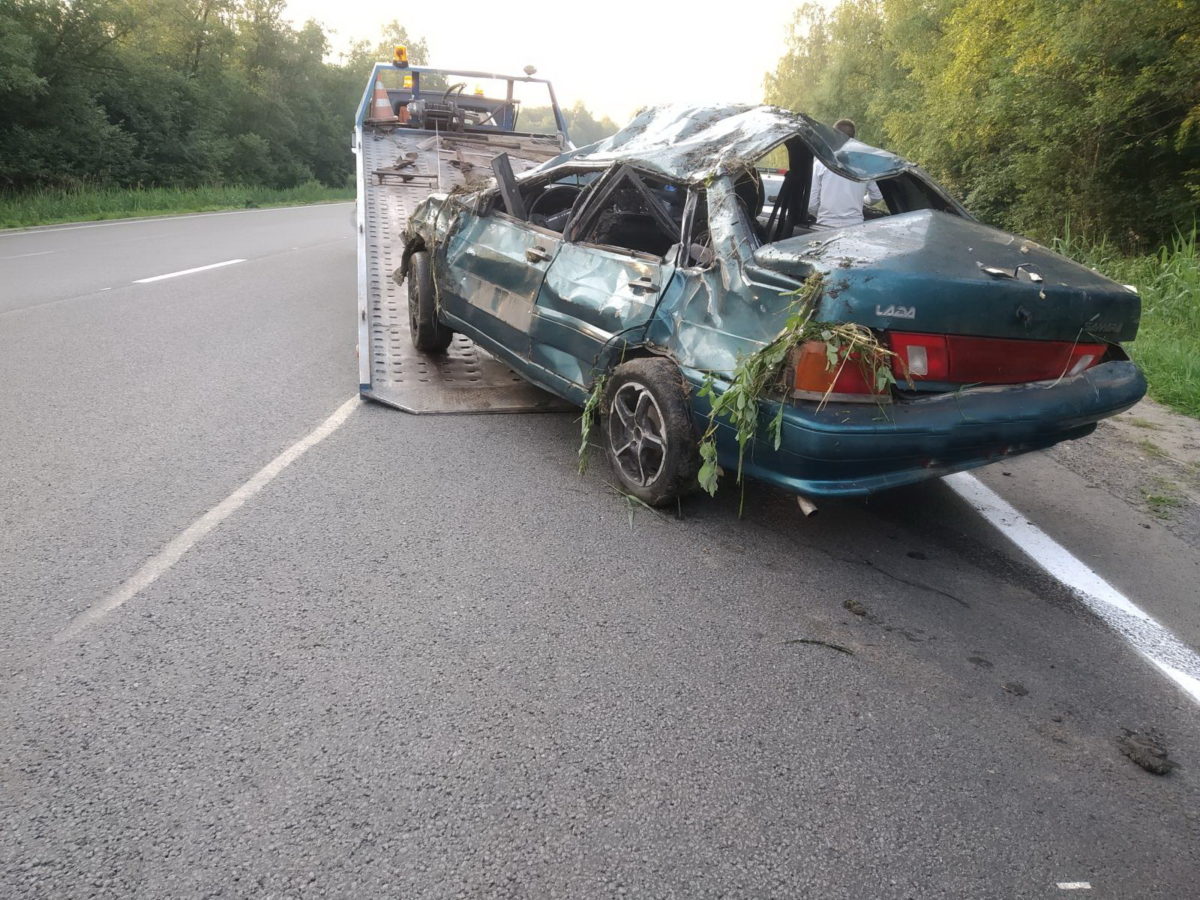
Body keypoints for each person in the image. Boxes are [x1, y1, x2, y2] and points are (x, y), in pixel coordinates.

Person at [808, 118, 882, 228]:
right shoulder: (864, 166)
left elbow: (812, 203)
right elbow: (877, 196)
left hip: (826, 225)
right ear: (853, 138)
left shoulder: (820, 164)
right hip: (855, 225)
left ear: (833, 136)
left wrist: (822, 215)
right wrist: (862, 201)